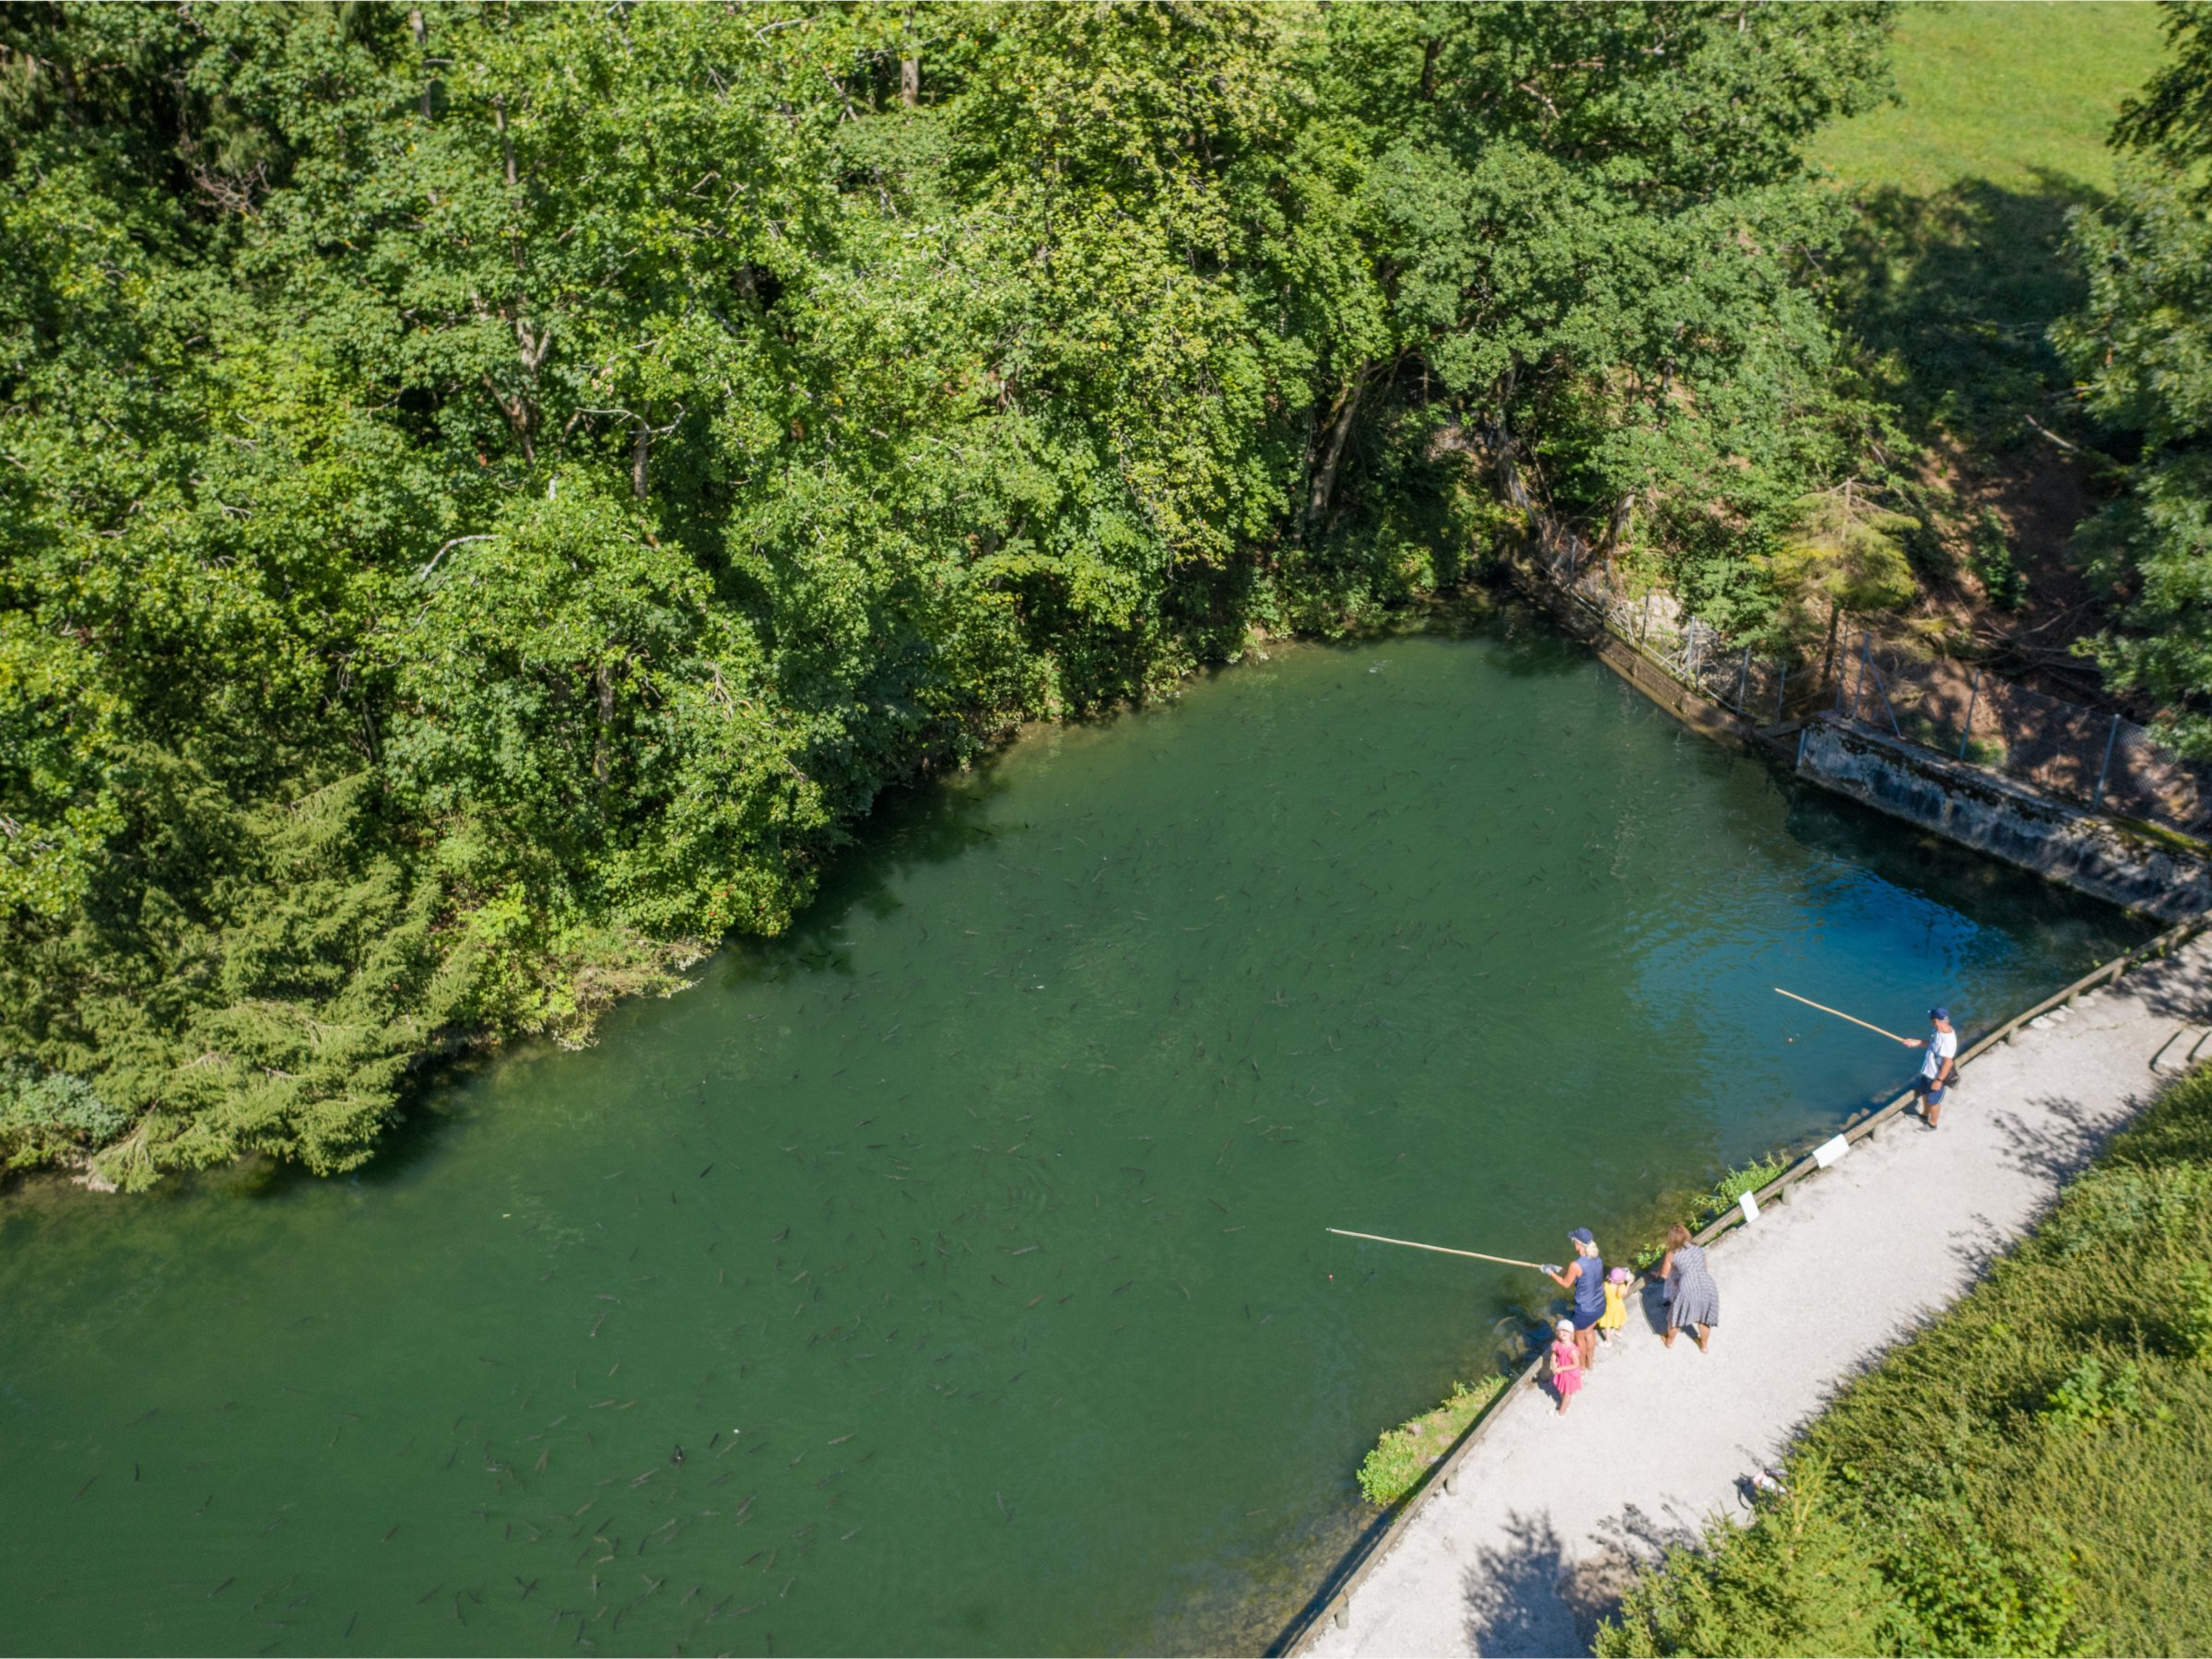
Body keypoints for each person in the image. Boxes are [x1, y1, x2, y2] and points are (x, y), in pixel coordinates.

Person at [1543, 1228, 1606, 1371]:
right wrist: (1558, 1269)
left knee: (1579, 1338)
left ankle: (1581, 1366)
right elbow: (1580, 1274)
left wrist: (1549, 1273)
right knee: (1589, 1332)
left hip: (1585, 1311)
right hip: (1600, 1305)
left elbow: (1566, 1283)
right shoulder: (1597, 1258)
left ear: (1578, 1244)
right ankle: (1590, 1362)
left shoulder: (1575, 1264)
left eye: (1574, 1241)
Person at [1656, 1223, 1718, 1351]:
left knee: (1677, 1318)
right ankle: (1704, 1346)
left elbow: (1664, 1274)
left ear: (1671, 1238)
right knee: (1704, 1318)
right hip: (1708, 1285)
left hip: (1687, 1288)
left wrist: (1676, 1276)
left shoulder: (1672, 1254)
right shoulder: (1698, 1248)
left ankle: (1669, 1342)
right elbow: (1703, 1267)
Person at [1904, 1006, 1959, 1128]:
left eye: (1931, 1018)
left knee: (1933, 1101)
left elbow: (1948, 1063)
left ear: (1936, 1020)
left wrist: (1939, 1081)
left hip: (1937, 1077)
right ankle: (1924, 1115)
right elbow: (1931, 1043)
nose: (1931, 1021)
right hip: (1928, 1072)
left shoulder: (1948, 1040)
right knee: (1924, 1093)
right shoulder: (1938, 1031)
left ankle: (1932, 1124)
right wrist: (1916, 1043)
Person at [1549, 1318, 1584, 1415]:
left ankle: (1561, 1412)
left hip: (1569, 1374)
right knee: (1561, 1389)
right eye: (1562, 1330)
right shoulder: (1558, 1343)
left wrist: (1561, 1368)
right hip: (1562, 1372)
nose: (1564, 1333)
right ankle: (1564, 1403)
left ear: (1572, 1334)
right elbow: (1554, 1353)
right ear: (1557, 1332)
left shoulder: (1572, 1350)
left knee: (1567, 1393)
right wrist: (1553, 1363)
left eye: (1567, 1331)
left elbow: (1576, 1365)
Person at [1598, 1266, 1630, 1347]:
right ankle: (1618, 1332)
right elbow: (1623, 1294)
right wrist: (1628, 1284)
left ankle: (1608, 1342)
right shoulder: (1622, 1286)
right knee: (1621, 1320)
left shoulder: (1606, 1285)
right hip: (1619, 1307)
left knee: (1607, 1325)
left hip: (1609, 1308)